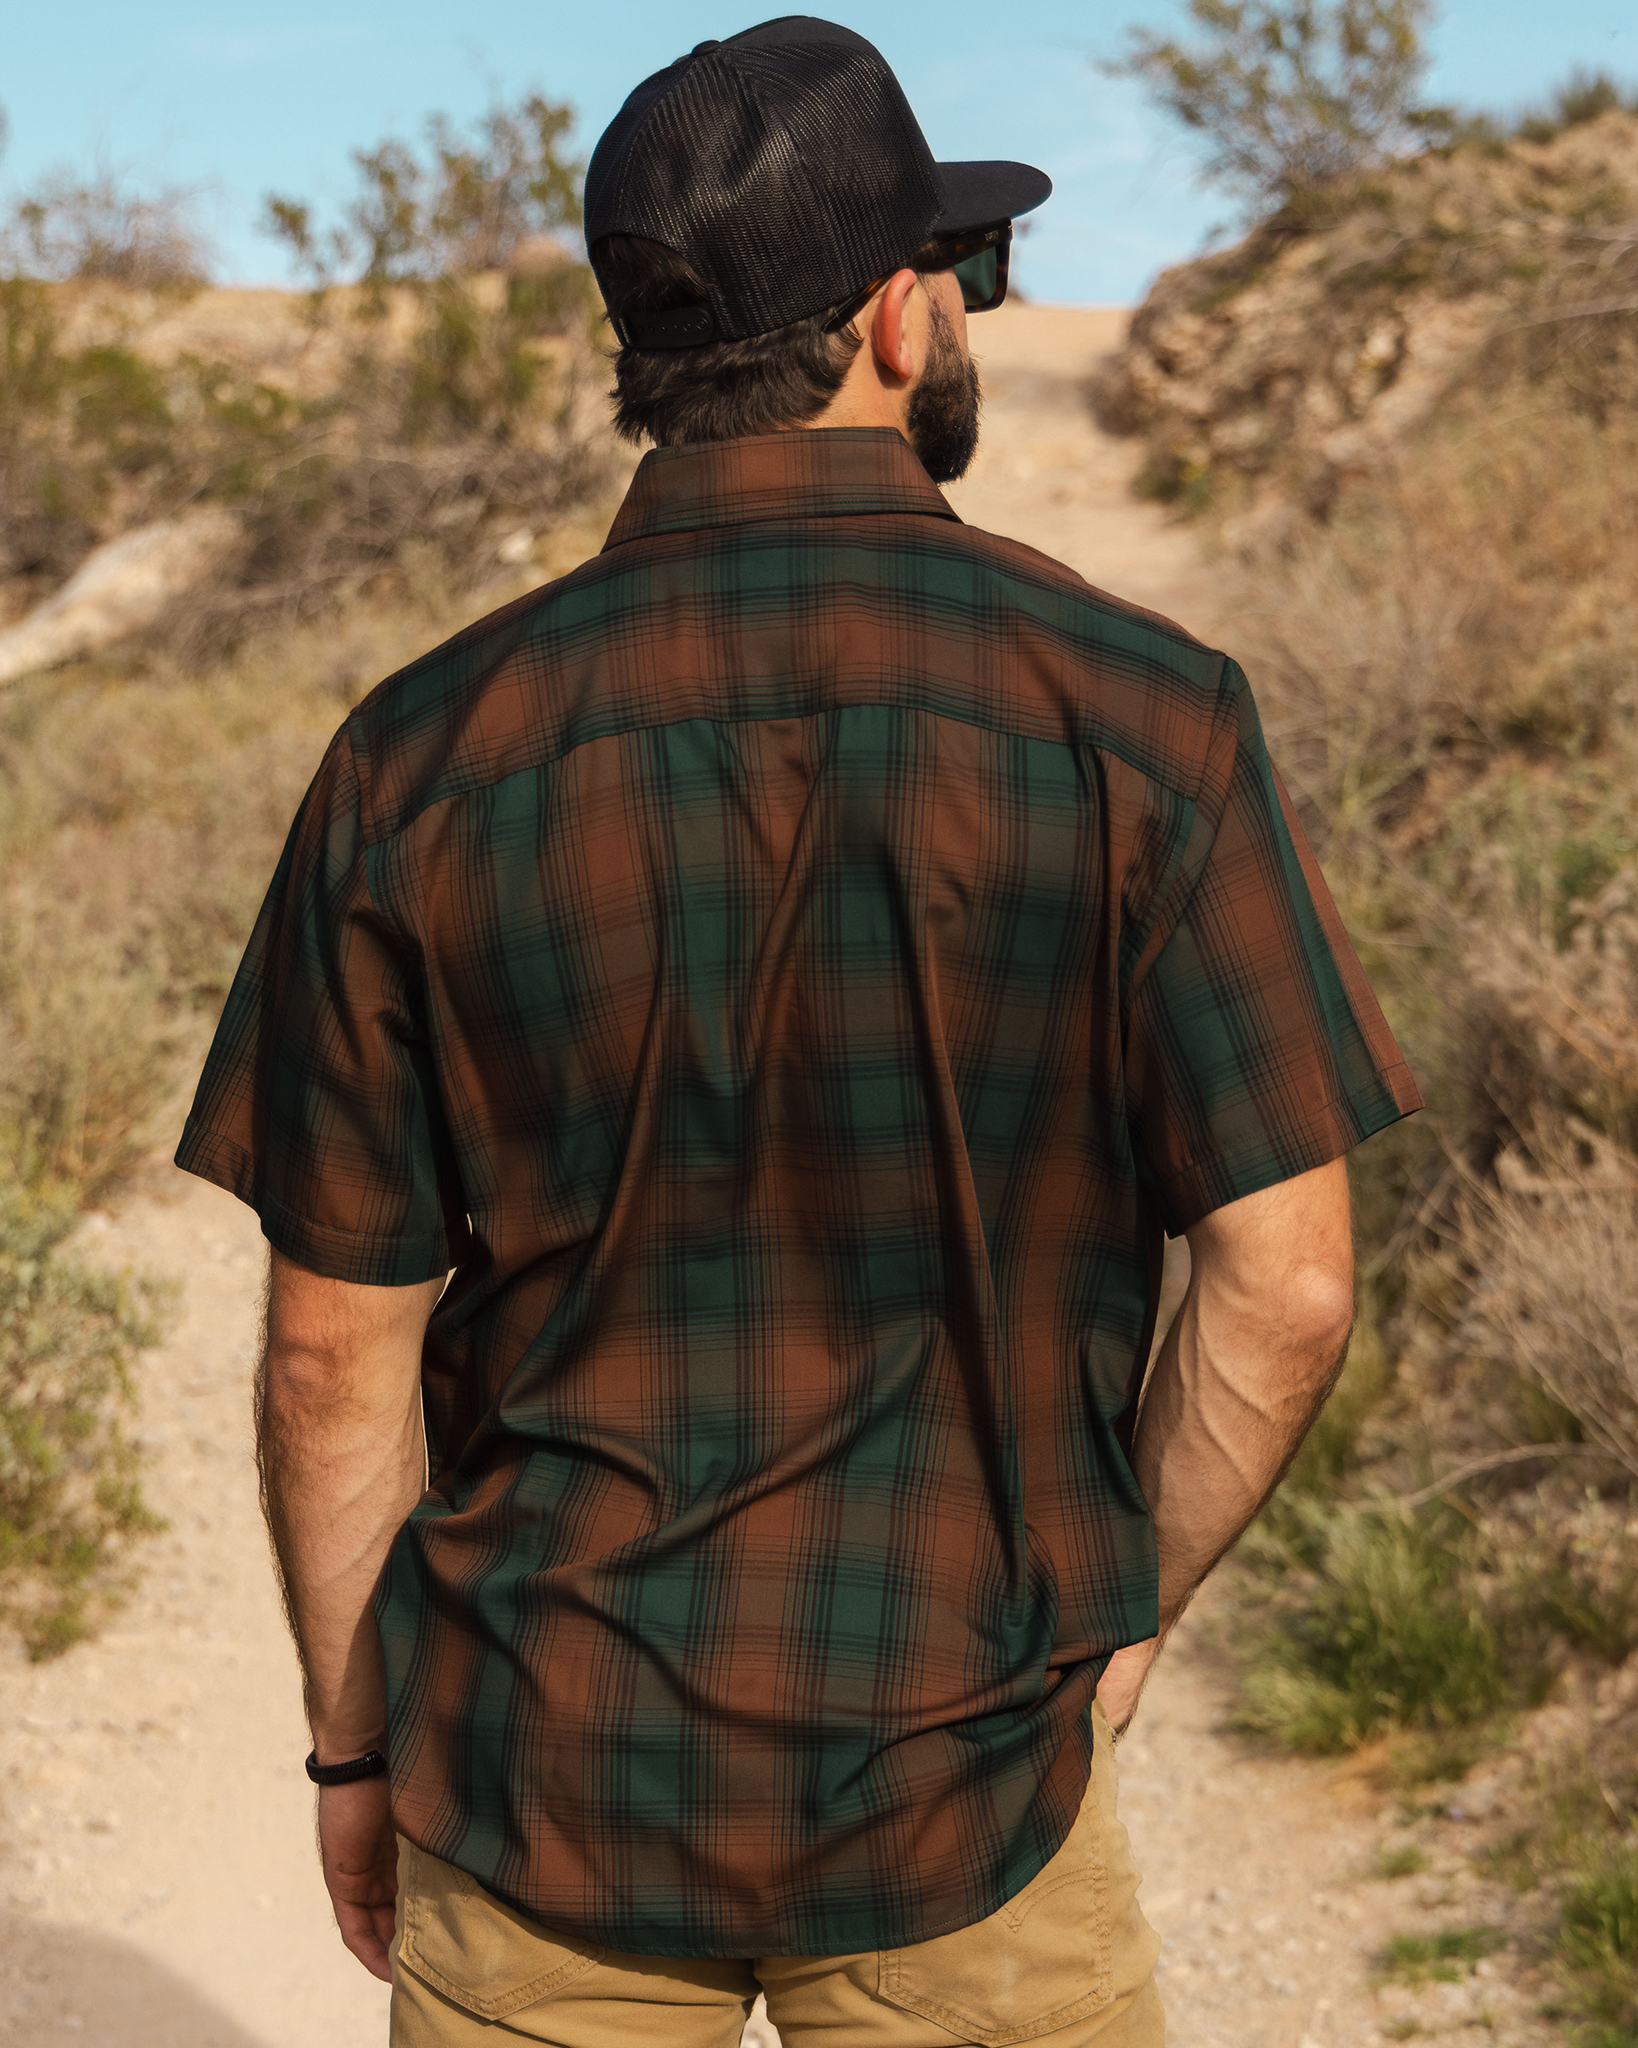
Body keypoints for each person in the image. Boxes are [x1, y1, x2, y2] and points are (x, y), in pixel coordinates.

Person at [176, 18, 1421, 2045]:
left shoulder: (417, 758)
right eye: (960, 267)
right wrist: (1119, 1622)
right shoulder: (1145, 720)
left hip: (540, 1784)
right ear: (898, 317)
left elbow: (331, 1354)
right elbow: (1284, 1292)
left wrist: (353, 1743)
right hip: (974, 1797)